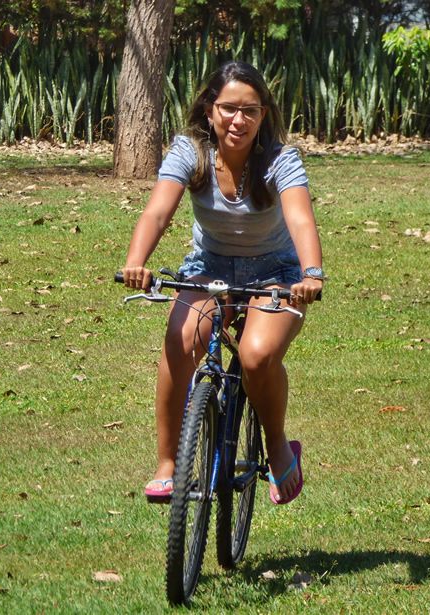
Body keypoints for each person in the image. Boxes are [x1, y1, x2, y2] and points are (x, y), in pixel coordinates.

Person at [121, 61, 323, 505]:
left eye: (250, 110)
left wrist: (310, 274)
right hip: (209, 267)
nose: (239, 120)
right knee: (182, 339)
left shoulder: (278, 159)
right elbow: (157, 212)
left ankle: (276, 446)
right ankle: (167, 465)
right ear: (210, 110)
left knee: (255, 356)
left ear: (263, 115)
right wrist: (136, 262)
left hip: (276, 274)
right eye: (229, 108)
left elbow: (300, 218)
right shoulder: (189, 153)